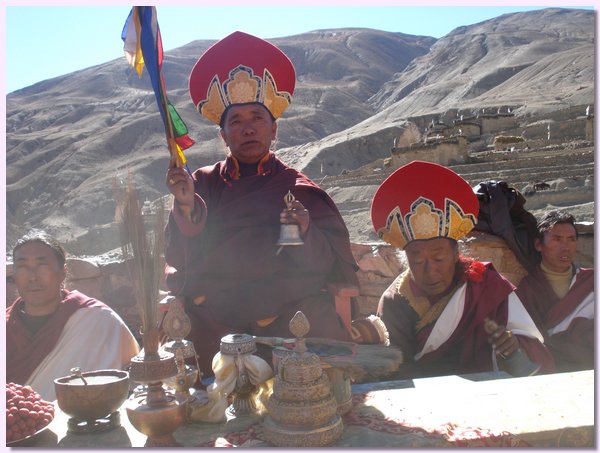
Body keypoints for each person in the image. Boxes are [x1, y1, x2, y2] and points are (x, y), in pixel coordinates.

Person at [163, 31, 359, 376]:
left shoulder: (298, 189)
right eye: (235, 121)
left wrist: (306, 230)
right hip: (215, 312)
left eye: (257, 118)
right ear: (223, 135)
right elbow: (178, 259)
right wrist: (186, 208)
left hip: (286, 309)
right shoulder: (202, 184)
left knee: (319, 322)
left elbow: (328, 265)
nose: (247, 128)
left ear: (274, 130)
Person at [371, 160, 555, 379]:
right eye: (418, 262)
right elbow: (395, 367)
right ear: (406, 260)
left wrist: (513, 345)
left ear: (456, 253)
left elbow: (531, 346)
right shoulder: (395, 301)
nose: (430, 272)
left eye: (439, 259)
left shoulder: (485, 285)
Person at [6, 231, 140, 400]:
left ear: (62, 272)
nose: (32, 276)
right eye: (23, 266)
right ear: (14, 275)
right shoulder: (6, 328)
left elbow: (137, 375)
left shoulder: (97, 320)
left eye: (42, 265)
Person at [516, 211, 594, 371]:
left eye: (571, 240)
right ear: (538, 245)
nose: (566, 247)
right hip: (553, 365)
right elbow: (530, 338)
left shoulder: (592, 280)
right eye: (557, 239)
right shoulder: (528, 289)